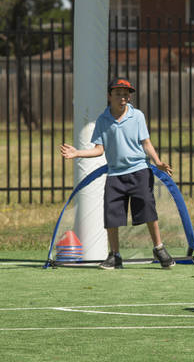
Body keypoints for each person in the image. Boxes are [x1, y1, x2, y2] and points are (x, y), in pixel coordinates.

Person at [60, 77, 176, 270]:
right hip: (115, 175)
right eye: (118, 94)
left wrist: (157, 161)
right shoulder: (103, 120)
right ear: (109, 96)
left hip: (139, 171)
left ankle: (159, 248)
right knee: (111, 216)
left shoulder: (137, 116)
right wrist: (77, 153)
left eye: (126, 94)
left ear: (129, 97)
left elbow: (146, 143)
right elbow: (99, 150)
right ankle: (115, 255)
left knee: (148, 210)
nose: (122, 98)